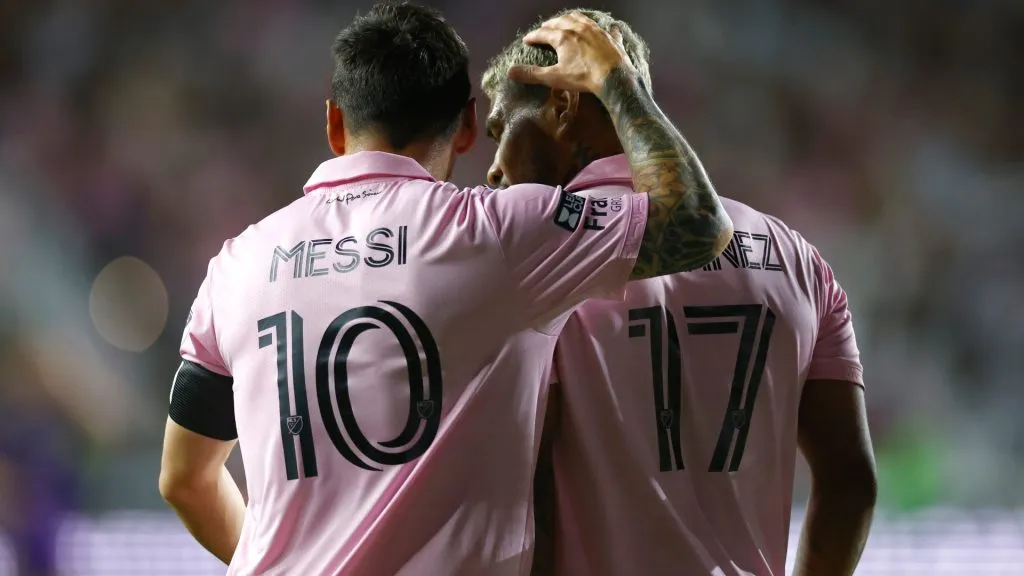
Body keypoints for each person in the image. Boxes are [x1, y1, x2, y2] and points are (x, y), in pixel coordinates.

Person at [158, 2, 732, 575]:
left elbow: (184, 479)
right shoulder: (499, 234)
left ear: (335, 123)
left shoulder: (236, 264)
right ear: (464, 126)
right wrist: (617, 82)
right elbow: (697, 226)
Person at [482, 9, 877, 576]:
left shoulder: (532, 257)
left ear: (562, 107)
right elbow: (850, 483)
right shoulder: (796, 258)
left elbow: (530, 491)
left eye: (501, 132)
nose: (493, 170)